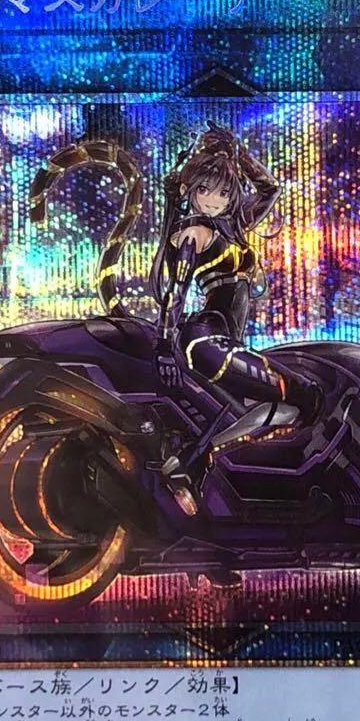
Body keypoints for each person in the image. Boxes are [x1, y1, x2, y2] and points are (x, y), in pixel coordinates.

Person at [149, 123, 323, 505]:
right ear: (190, 190)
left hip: (227, 340)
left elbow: (270, 189)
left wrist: (237, 152)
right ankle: (194, 463)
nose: (213, 200)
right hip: (206, 341)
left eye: (224, 192)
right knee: (306, 395)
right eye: (205, 190)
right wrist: (163, 346)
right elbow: (176, 291)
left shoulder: (234, 225)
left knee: (289, 407)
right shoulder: (194, 232)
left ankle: (195, 462)